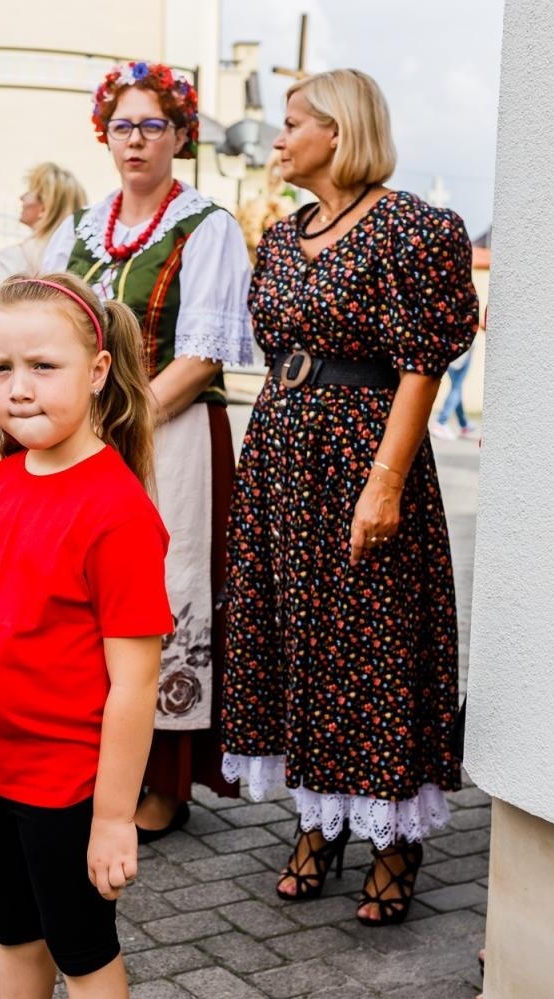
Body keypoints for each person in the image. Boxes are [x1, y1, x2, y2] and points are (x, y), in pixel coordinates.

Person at [220, 70, 480, 925]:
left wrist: (386, 481)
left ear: (339, 130)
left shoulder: (413, 226)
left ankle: (395, 838)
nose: (278, 139)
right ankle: (319, 818)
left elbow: (421, 362)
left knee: (372, 638)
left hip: (364, 452)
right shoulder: (285, 234)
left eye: (292, 124)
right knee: (296, 634)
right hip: (283, 454)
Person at [0, 274, 168, 999]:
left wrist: (112, 818)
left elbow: (137, 682)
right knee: (13, 933)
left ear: (98, 371)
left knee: (82, 951)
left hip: (69, 786)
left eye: (43, 366)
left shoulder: (117, 512)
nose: (18, 388)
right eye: (0, 369)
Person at [43, 61, 253, 840]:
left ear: (180, 135)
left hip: (173, 438)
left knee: (164, 590)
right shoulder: (81, 229)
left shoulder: (207, 226)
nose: (136, 140)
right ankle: (96, 758)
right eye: (123, 125)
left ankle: (164, 780)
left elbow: (200, 355)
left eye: (153, 125)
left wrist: (119, 424)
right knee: (86, 588)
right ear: (106, 133)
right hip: (88, 439)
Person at [0, 163, 86, 284]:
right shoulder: (84, 254)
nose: (22, 197)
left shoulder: (11, 257)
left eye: (29, 191)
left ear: (44, 208)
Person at [429, 344, 475, 439]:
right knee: (456, 388)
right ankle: (441, 422)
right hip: (463, 352)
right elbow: (483, 328)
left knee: (457, 388)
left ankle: (464, 425)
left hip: (449, 352)